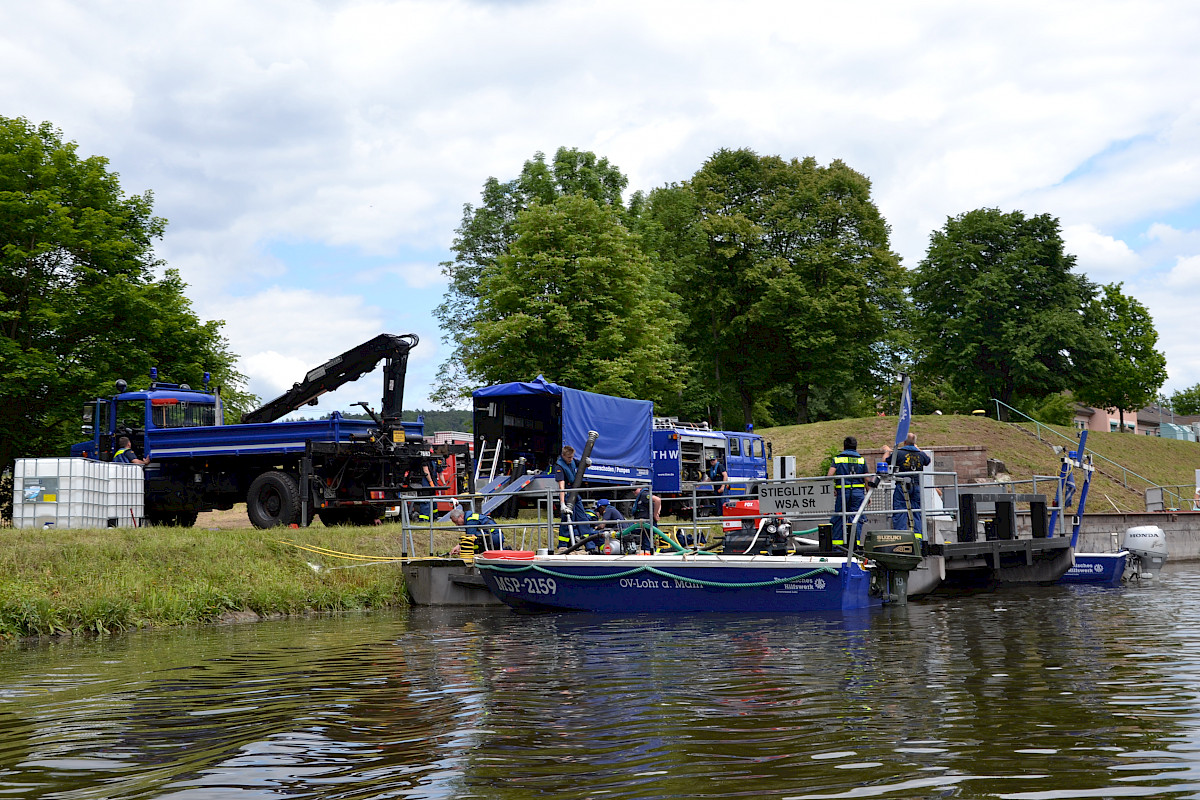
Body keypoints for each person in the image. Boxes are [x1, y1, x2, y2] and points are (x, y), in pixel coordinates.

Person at [826, 436, 884, 550]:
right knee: (856, 518)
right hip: (858, 493)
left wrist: (832, 488)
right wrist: (868, 494)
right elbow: (866, 478)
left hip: (843, 493)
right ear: (855, 447)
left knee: (839, 517)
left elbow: (829, 476)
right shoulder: (861, 460)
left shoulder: (838, 459)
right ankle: (854, 545)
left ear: (844, 446)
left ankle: (837, 546)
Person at [553, 444, 596, 549]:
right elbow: (561, 486)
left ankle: (590, 546)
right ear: (563, 455)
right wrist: (562, 504)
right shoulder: (559, 466)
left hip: (576, 494)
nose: (571, 459)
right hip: (568, 495)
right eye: (569, 457)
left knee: (583, 519)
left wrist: (587, 464)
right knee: (567, 521)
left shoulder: (572, 461)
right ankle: (563, 547)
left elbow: (581, 465)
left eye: (572, 457)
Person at [891, 433, 932, 534]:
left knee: (900, 511)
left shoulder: (899, 453)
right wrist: (918, 449)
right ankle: (918, 540)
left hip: (902, 486)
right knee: (916, 512)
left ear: (904, 442)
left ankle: (901, 538)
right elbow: (928, 460)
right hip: (916, 486)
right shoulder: (920, 454)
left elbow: (887, 461)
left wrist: (887, 451)